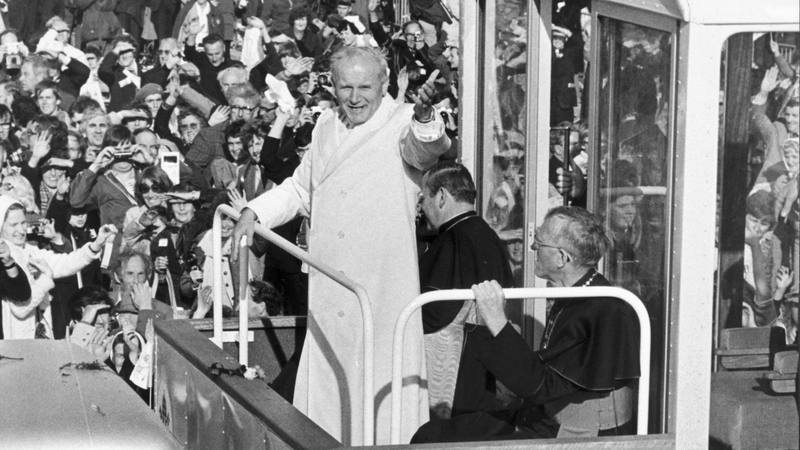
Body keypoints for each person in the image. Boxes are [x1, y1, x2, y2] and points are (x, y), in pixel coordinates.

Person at [232, 46, 450, 445]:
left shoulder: (403, 122)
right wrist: (254, 212)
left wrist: (423, 116)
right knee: (329, 388)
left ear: (384, 84)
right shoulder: (325, 125)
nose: (355, 97)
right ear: (332, 87)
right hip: (329, 282)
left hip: (379, 285)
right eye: (345, 87)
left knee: (379, 385)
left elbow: (427, 148)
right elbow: (301, 187)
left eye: (365, 86)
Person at [412, 206, 641, 443]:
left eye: (539, 244)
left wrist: (498, 320)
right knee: (430, 433)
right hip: (544, 418)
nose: (532, 248)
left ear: (562, 258)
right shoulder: (578, 296)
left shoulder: (605, 309)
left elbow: (538, 385)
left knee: (430, 440)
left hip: (574, 435)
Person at [416, 162, 515, 419]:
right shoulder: (486, 234)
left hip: (451, 370)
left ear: (441, 197)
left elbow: (433, 313)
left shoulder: (453, 238)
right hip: (481, 364)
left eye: (423, 198)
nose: (421, 208)